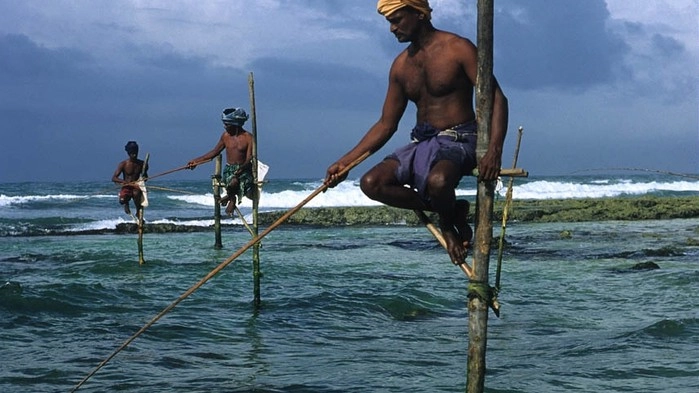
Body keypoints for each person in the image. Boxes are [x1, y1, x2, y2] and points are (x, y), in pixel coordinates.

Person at [325, 0, 508, 265]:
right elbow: (386, 125)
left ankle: (447, 224)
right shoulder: (401, 66)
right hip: (422, 142)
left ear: (419, 14)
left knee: (438, 182)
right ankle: (451, 209)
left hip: (460, 139)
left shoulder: (458, 48)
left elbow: (497, 99)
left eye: (397, 19)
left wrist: (494, 151)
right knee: (371, 183)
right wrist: (346, 162)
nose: (392, 28)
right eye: (389, 22)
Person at [187, 107, 255, 216]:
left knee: (235, 181)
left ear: (236, 125)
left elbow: (249, 158)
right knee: (232, 180)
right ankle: (231, 198)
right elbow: (214, 152)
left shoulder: (248, 138)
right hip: (229, 170)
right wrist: (196, 161)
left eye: (227, 124)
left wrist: (242, 169)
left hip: (245, 170)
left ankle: (230, 198)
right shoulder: (225, 136)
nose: (225, 126)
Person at [112, 141, 149, 216]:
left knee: (136, 194)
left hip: (136, 186)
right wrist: (125, 182)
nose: (134, 154)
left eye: (135, 152)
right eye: (132, 153)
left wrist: (144, 175)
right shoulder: (123, 164)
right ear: (128, 153)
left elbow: (145, 178)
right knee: (122, 200)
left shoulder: (142, 164)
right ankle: (126, 204)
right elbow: (114, 178)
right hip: (126, 186)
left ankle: (138, 211)